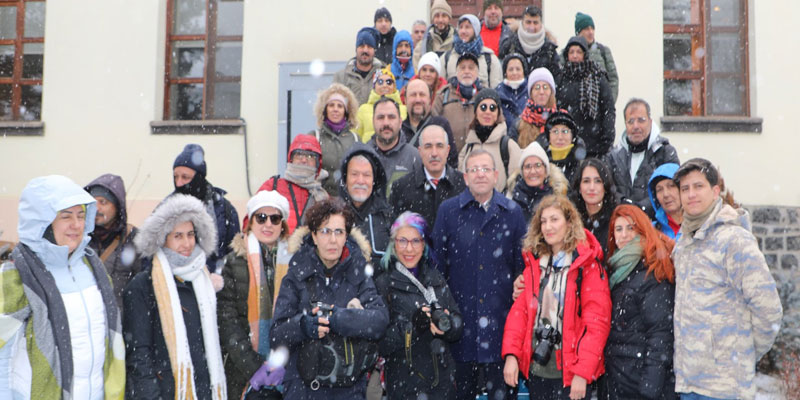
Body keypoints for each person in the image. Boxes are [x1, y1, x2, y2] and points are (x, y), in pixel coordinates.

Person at [0, 175, 125, 399]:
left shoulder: (92, 266)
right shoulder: (18, 274)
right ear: (43, 222)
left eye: (80, 216)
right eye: (66, 217)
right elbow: (2, 352)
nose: (76, 225)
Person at [671, 158, 782, 400]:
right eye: (685, 188)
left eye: (698, 186)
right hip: (689, 382)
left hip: (725, 388)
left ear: (715, 191)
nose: (691, 194)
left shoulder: (734, 240)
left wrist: (741, 353)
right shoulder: (685, 241)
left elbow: (769, 310)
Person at [270, 198, 390, 399]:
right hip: (303, 389)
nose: (332, 240)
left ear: (346, 236)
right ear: (314, 236)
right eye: (325, 231)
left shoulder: (358, 271)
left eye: (338, 232)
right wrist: (304, 326)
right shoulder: (297, 273)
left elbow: (379, 321)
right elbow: (276, 336)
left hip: (348, 388)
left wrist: (338, 318)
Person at [432, 149, 527, 400]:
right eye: (474, 169)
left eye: (486, 169)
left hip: (501, 331)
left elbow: (522, 267)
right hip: (460, 331)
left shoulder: (513, 213)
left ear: (496, 175)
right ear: (465, 177)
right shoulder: (448, 211)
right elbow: (438, 268)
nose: (480, 175)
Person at [502, 195, 611, 400]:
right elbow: (520, 315)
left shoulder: (587, 265)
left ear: (569, 223)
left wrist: (581, 373)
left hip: (571, 375)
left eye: (554, 219)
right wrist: (512, 355)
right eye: (543, 221)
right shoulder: (535, 266)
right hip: (538, 370)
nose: (548, 227)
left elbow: (596, 324)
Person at [125, 194, 226, 399]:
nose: (187, 243)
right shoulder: (144, 286)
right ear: (163, 239)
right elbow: (139, 354)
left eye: (190, 234)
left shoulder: (202, 281)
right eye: (177, 236)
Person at [374, 212, 463, 399]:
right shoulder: (384, 283)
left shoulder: (435, 278)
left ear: (424, 245)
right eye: (402, 241)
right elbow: (380, 343)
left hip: (442, 385)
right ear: (393, 244)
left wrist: (447, 326)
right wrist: (413, 326)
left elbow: (458, 324)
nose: (409, 249)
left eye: (416, 241)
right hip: (405, 386)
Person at [218, 191, 293, 398]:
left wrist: (282, 366)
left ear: (282, 224)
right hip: (243, 374)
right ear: (250, 222)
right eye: (261, 217)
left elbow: (296, 319)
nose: (268, 224)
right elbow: (228, 324)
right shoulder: (233, 263)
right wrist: (256, 368)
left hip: (287, 375)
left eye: (275, 218)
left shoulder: (296, 263)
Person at [597, 204, 677, 399]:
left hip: (639, 382)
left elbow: (660, 335)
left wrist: (650, 387)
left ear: (641, 229)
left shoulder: (651, 272)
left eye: (630, 228)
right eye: (618, 229)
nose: (624, 235)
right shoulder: (616, 270)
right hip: (618, 378)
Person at [171, 143, 240, 278]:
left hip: (216, 289)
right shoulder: (167, 208)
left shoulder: (225, 210)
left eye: (185, 177)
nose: (178, 183)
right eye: (175, 177)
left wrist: (222, 283)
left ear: (199, 178)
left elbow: (234, 259)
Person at [606, 98, 679, 217]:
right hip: (623, 223)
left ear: (650, 122)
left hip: (658, 224)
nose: (636, 126)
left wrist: (642, 208)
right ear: (625, 124)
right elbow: (608, 188)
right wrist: (624, 204)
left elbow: (672, 187)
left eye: (641, 120)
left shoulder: (665, 152)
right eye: (631, 121)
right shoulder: (613, 156)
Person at [390, 124, 466, 225]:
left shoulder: (464, 185)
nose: (434, 153)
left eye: (439, 146)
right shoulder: (401, 188)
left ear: (447, 151)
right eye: (428, 146)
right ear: (420, 151)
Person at [85, 173, 141, 307]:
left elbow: (143, 287)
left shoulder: (134, 239)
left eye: (103, 202)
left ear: (117, 207)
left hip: (121, 323)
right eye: (92, 202)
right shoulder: (80, 239)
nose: (96, 208)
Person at [557, 36, 615, 159]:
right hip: (568, 147)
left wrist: (607, 137)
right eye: (571, 52)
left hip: (595, 146)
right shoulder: (561, 79)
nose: (575, 55)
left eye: (579, 52)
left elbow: (608, 108)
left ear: (585, 55)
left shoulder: (597, 76)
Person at [258, 134, 329, 234]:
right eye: (299, 154)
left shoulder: (323, 197)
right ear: (291, 159)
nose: (304, 160)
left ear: (317, 163)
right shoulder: (272, 186)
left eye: (310, 156)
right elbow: (251, 221)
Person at [458, 87, 521, 193]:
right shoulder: (468, 147)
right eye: (483, 107)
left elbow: (516, 184)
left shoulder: (508, 146)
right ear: (476, 112)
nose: (488, 112)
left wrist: (504, 204)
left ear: (498, 113)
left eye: (492, 108)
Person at [338, 144, 394, 262]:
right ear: (345, 179)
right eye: (354, 174)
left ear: (374, 180)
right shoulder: (332, 216)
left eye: (367, 175)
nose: (360, 181)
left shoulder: (388, 217)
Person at [310, 83, 361, 195]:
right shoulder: (314, 137)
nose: (335, 109)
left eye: (340, 106)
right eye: (331, 105)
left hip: (348, 203)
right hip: (320, 201)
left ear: (346, 111)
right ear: (324, 109)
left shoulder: (356, 139)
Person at [366, 97, 420, 194]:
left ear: (400, 122)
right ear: (373, 121)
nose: (386, 123)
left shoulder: (414, 157)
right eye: (381, 117)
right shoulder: (363, 155)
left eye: (391, 117)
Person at [400, 78, 458, 167]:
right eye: (413, 95)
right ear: (405, 99)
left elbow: (452, 162)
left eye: (422, 95)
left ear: (430, 99)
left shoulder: (441, 124)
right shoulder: (399, 130)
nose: (418, 99)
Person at [506, 142, 569, 222]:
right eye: (528, 166)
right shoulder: (510, 197)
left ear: (546, 171)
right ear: (522, 171)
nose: (532, 171)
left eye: (538, 165)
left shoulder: (559, 197)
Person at [432, 52, 482, 153]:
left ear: (477, 73)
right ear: (456, 72)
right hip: (448, 156)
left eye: (471, 68)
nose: (466, 71)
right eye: (462, 68)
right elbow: (433, 122)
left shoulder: (485, 96)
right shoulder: (443, 94)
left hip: (477, 157)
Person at [569, 158, 617, 257]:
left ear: (605, 186)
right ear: (579, 187)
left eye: (598, 181)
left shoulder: (617, 218)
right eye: (586, 181)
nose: (592, 187)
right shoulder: (569, 218)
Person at [440, 14, 502, 89]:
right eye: (461, 27)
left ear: (476, 30)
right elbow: (440, 90)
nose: (463, 31)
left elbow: (496, 90)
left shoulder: (489, 58)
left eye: (467, 27)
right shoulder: (447, 58)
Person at [498, 5, 561, 77]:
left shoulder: (550, 50)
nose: (532, 27)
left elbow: (556, 77)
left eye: (535, 23)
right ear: (522, 22)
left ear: (541, 24)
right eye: (528, 22)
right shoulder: (509, 45)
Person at [356, 67, 408, 143]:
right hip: (369, 152)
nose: (384, 85)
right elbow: (355, 136)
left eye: (389, 82)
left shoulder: (404, 109)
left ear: (394, 86)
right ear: (374, 86)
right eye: (380, 82)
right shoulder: (363, 109)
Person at [333, 27, 384, 105]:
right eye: (362, 46)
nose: (365, 50)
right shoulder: (341, 77)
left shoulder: (383, 75)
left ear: (374, 51)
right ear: (356, 49)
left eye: (369, 47)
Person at [575, 12, 619, 101]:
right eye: (587, 29)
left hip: (601, 107)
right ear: (579, 32)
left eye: (592, 29)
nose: (591, 32)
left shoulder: (603, 51)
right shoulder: (569, 53)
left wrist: (609, 103)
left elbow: (613, 79)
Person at [537, 109, 586, 185]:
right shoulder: (539, 164)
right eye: (555, 131)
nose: (560, 137)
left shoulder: (583, 166)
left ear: (572, 136)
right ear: (549, 137)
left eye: (565, 131)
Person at [514, 67, 558, 148]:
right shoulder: (518, 124)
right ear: (531, 93)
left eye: (545, 87)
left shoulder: (560, 120)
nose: (541, 92)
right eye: (537, 87)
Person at [413, 0, 455, 66]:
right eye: (437, 16)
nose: (440, 20)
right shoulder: (423, 45)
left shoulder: (458, 42)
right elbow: (417, 72)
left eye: (444, 16)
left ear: (449, 18)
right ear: (432, 18)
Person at [496, 53, 529, 134]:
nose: (514, 73)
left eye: (518, 69)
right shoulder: (497, 93)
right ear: (505, 72)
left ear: (523, 71)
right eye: (511, 69)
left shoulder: (531, 91)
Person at [647, 163, 682, 239]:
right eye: (659, 190)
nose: (665, 194)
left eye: (671, 186)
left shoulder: (702, 226)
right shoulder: (650, 232)